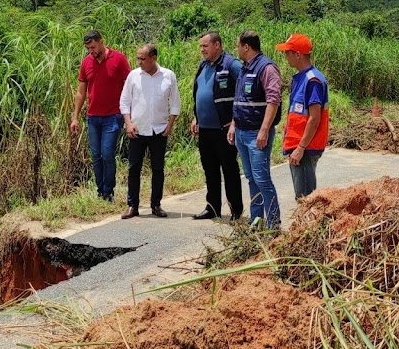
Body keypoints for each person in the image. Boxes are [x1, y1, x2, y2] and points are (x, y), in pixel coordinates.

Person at [228, 30, 283, 229]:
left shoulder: (266, 68)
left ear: (246, 47)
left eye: (238, 45)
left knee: (262, 178)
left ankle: (274, 223)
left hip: (256, 134)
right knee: (251, 178)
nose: (236, 49)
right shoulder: (244, 68)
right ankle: (257, 220)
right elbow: (240, 100)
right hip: (242, 132)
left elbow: (273, 100)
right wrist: (234, 125)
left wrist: (264, 130)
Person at [119, 44, 181, 219]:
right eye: (138, 58)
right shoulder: (133, 76)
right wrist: (128, 123)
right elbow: (124, 102)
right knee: (133, 169)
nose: (139, 62)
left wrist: (170, 124)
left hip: (159, 130)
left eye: (143, 58)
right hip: (137, 129)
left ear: (153, 58)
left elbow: (175, 103)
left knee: (158, 169)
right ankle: (132, 206)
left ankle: (156, 204)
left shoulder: (168, 76)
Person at [189, 31, 244, 221]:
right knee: (210, 170)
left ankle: (236, 210)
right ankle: (212, 207)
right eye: (201, 46)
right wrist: (196, 117)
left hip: (224, 129)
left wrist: (235, 123)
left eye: (205, 46)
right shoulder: (203, 66)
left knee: (229, 169)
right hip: (205, 129)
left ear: (217, 45)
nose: (202, 49)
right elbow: (199, 93)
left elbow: (243, 96)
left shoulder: (232, 65)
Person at [70, 30, 131, 200]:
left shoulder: (119, 59)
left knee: (107, 154)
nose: (91, 51)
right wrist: (75, 117)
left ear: (102, 42)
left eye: (93, 47)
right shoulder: (86, 63)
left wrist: (129, 115)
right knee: (96, 156)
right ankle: (101, 192)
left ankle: (109, 191)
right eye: (88, 48)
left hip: (113, 115)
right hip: (93, 117)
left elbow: (130, 85)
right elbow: (81, 92)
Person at [277, 33, 329, 199]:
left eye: (288, 53)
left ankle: (308, 226)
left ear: (298, 54)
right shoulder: (300, 78)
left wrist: (300, 148)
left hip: (306, 148)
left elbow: (314, 118)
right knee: (302, 195)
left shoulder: (312, 80)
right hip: (298, 146)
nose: (286, 57)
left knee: (305, 198)